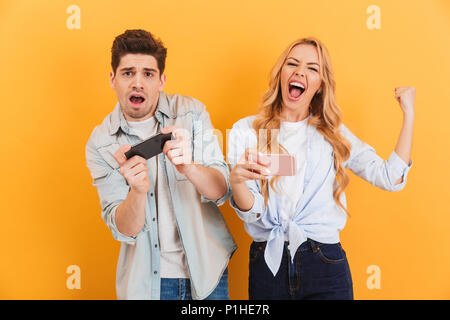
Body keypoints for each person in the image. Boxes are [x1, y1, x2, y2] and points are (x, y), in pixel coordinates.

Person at [227, 37, 414, 300]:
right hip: (268, 264)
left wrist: (409, 113)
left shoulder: (333, 135)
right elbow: (252, 213)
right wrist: (236, 182)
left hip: (324, 263)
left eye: (312, 68)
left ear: (319, 85)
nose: (300, 71)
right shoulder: (245, 130)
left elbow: (389, 177)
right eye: (292, 63)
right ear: (281, 73)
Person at [85, 29, 236, 300]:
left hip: (205, 274)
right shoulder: (101, 142)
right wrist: (137, 191)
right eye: (128, 73)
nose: (138, 83)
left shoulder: (191, 113)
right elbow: (124, 229)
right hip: (146, 285)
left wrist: (189, 167)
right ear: (113, 78)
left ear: (161, 80)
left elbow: (222, 190)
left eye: (148, 74)